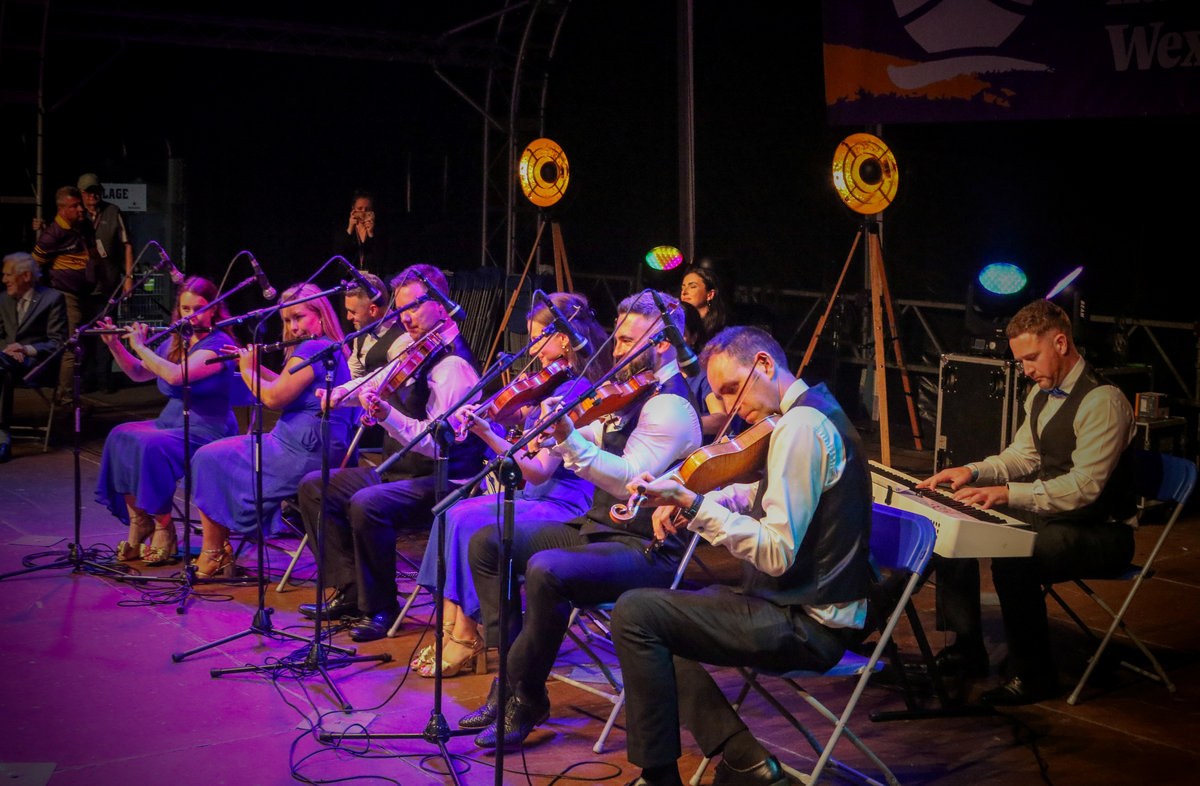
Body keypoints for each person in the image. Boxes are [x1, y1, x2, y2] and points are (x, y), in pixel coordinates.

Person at [610, 326, 874, 786]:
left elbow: (775, 553)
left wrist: (694, 505)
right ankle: (744, 759)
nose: (734, 407)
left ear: (766, 365)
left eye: (733, 389)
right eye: (720, 397)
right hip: (794, 608)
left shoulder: (801, 427)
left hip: (808, 625)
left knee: (637, 613)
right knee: (657, 622)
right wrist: (697, 497)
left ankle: (669, 777)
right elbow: (768, 489)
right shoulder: (810, 412)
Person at [459, 290, 702, 749]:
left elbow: (630, 478)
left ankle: (525, 696)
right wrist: (535, 430)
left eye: (630, 341)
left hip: (643, 548)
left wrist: (570, 439)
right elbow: (586, 432)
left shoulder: (669, 405)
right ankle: (508, 685)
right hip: (597, 530)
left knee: (547, 570)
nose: (618, 350)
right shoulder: (631, 392)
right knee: (489, 543)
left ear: (665, 343)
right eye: (619, 339)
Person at [917, 298, 1137, 705]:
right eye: (1020, 362)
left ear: (1060, 343)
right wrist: (974, 472)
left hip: (1099, 529)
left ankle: (1035, 676)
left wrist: (1008, 493)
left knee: (1015, 558)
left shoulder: (1102, 401)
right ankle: (967, 648)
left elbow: (1084, 488)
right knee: (956, 522)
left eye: (1031, 358)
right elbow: (1024, 456)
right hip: (1054, 517)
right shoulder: (1040, 393)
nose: (1027, 370)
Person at [409, 291, 611, 678]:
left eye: (537, 337)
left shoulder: (573, 392)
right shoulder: (551, 386)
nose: (531, 348)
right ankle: (454, 628)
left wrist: (487, 433)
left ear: (564, 340)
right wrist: (507, 420)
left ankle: (468, 634)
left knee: (470, 522)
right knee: (452, 512)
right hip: (535, 495)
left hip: (563, 503)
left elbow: (537, 471)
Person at [295, 264, 486, 642]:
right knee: (317, 486)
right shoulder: (417, 352)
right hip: (404, 472)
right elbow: (375, 381)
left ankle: (381, 607)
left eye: (414, 307)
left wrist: (389, 416)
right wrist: (336, 397)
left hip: (446, 480)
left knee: (369, 503)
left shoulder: (452, 366)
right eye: (401, 311)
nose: (407, 318)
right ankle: (350, 591)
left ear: (441, 306)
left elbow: (440, 445)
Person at [190, 283, 355, 578]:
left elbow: (272, 398)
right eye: (287, 320)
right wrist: (250, 366)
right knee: (213, 457)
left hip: (302, 451)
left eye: (299, 317)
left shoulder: (314, 348)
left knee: (207, 458)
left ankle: (213, 553)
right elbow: (284, 384)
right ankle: (220, 550)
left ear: (320, 314)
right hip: (305, 445)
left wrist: (249, 370)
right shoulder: (329, 346)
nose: (293, 327)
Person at [94, 277, 238, 564]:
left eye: (199, 308)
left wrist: (140, 345)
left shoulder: (219, 344)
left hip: (206, 427)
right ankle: (140, 522)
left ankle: (164, 526)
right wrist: (115, 346)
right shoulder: (178, 339)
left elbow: (176, 376)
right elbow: (138, 373)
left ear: (214, 309)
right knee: (120, 435)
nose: (192, 315)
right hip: (170, 421)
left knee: (150, 446)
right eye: (185, 309)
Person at [0, 252, 68, 464]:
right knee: (4, 371)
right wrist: (8, 350)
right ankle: (2, 440)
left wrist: (25, 349)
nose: (4, 280)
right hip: (8, 363)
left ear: (26, 276)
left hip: (38, 364)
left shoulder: (52, 299)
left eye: (8, 275)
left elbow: (58, 342)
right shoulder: (4, 299)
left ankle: (2, 439)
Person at [32, 186, 95, 402]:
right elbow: (34, 266)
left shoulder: (82, 226)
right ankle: (67, 397)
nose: (81, 208)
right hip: (66, 295)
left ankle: (69, 392)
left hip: (86, 293)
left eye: (80, 204)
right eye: (74, 206)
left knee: (84, 344)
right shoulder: (53, 235)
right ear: (61, 210)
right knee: (72, 344)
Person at [77, 173, 134, 393]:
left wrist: (128, 278)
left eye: (97, 190)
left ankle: (104, 380)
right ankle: (85, 380)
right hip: (81, 287)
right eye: (89, 191)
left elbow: (127, 244)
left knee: (106, 333)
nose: (94, 195)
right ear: (81, 194)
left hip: (108, 285)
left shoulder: (112, 211)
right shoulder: (76, 214)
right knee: (83, 334)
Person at [343, 272, 404, 379]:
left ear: (373, 310)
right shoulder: (361, 333)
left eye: (353, 312)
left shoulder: (403, 336)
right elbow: (352, 374)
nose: (348, 317)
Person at [336, 190, 390, 279]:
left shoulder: (379, 230)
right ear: (353, 209)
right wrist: (350, 228)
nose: (363, 212)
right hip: (349, 277)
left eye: (367, 209)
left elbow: (382, 256)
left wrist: (371, 233)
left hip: (372, 277)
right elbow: (339, 253)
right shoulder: (344, 229)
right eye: (360, 208)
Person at [679, 265, 727, 348]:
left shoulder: (722, 330)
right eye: (682, 288)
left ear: (710, 295)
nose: (684, 292)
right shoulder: (679, 324)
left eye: (692, 286)